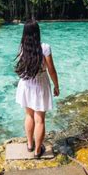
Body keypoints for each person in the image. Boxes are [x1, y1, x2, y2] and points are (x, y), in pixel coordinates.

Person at [15, 19, 60, 158]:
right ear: (37, 33)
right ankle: (37, 151)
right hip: (40, 83)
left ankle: (30, 145)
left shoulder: (22, 47)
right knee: (39, 119)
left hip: (26, 83)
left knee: (29, 115)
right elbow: (51, 70)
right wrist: (56, 85)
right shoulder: (45, 48)